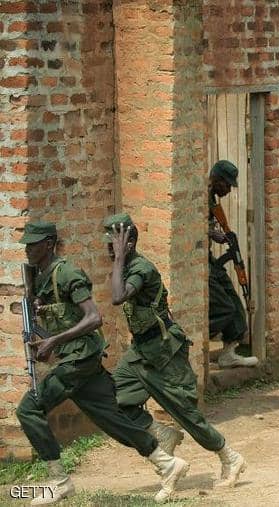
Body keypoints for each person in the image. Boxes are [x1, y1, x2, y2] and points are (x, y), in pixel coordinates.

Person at [15, 221, 188, 505]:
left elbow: (94, 318)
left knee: (28, 409)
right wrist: (45, 336)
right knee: (112, 419)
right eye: (27, 245)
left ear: (48, 244)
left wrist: (53, 342)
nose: (28, 250)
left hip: (78, 360)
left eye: (33, 245)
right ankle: (167, 464)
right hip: (80, 359)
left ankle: (59, 482)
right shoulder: (42, 276)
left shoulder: (66, 273)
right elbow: (64, 319)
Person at [103, 214, 247, 494]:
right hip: (140, 352)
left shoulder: (141, 269)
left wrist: (119, 258)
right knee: (113, 399)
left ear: (129, 243)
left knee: (186, 414)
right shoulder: (126, 267)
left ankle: (230, 457)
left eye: (114, 244)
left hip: (164, 352)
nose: (110, 249)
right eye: (109, 244)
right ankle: (161, 433)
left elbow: (118, 297)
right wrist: (119, 260)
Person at [207, 160, 258, 368]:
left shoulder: (212, 198)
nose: (228, 190)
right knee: (224, 308)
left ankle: (228, 354)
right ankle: (193, 342)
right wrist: (211, 233)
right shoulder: (200, 197)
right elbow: (188, 224)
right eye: (227, 184)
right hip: (200, 263)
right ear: (216, 179)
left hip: (210, 261)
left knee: (235, 305)